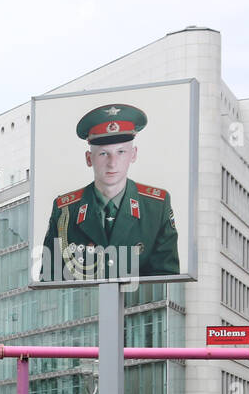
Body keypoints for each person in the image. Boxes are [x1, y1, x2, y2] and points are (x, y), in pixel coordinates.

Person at [39, 103, 180, 283]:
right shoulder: (66, 210)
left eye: (121, 152)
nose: (112, 163)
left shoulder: (156, 206)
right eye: (104, 154)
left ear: (133, 154)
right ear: (89, 159)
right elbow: (50, 282)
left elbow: (167, 281)